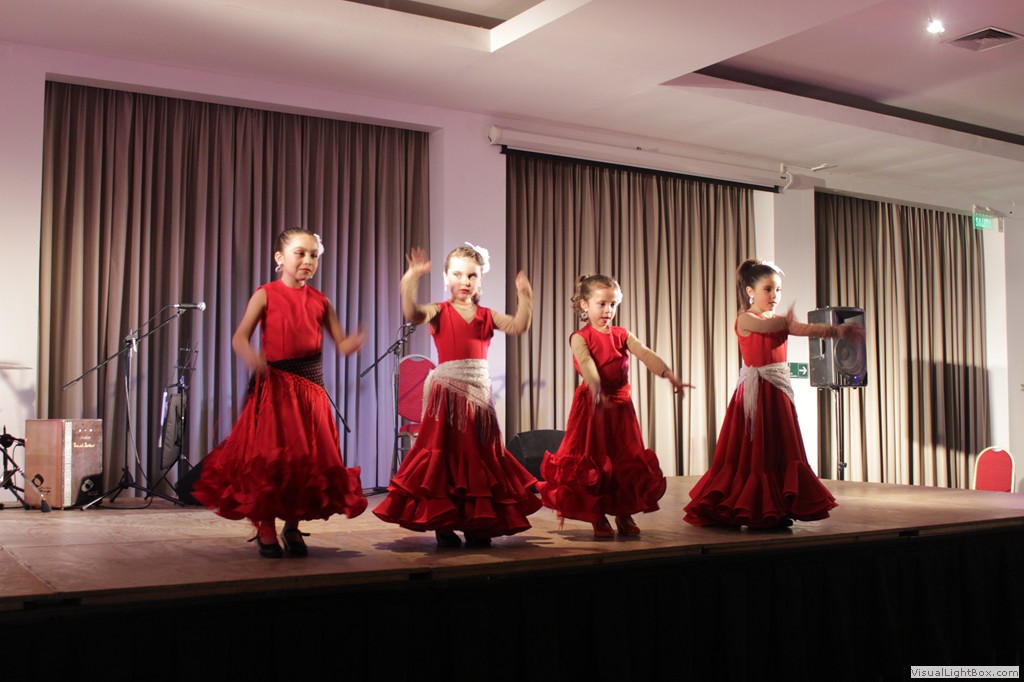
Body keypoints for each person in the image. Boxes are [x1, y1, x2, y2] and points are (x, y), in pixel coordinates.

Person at [193, 228, 368, 558]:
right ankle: (265, 526)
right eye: (300, 253)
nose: (308, 260)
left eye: (314, 255)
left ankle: (292, 525)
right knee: (273, 459)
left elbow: (340, 342)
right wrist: (252, 358)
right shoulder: (266, 294)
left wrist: (352, 343)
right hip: (277, 391)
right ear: (280, 258)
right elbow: (240, 337)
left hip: (311, 391)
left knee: (306, 461)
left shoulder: (321, 301)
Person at [373, 244, 541, 547]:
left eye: (472, 276)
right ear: (446, 277)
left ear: (480, 280)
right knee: (446, 457)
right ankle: (444, 521)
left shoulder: (487, 316)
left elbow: (519, 325)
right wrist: (411, 277)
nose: (465, 281)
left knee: (479, 458)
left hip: (478, 398)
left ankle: (477, 522)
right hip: (447, 398)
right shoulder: (439, 311)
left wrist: (526, 297)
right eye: (458, 274)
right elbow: (412, 312)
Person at [684, 259, 857, 529]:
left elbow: (804, 329)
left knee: (779, 451)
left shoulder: (778, 321)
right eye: (768, 289)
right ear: (750, 291)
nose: (774, 295)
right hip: (756, 395)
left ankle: (775, 508)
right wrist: (787, 322)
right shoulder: (746, 318)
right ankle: (747, 508)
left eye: (778, 290)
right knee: (753, 454)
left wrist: (836, 330)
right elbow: (769, 328)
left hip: (777, 394)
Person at [537, 274, 690, 538]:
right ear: (584, 305)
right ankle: (597, 513)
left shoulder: (622, 334)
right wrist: (596, 387)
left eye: (613, 304)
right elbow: (587, 364)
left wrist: (669, 374)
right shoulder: (580, 337)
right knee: (595, 459)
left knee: (624, 459)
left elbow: (645, 353)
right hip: (594, 407)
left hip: (620, 408)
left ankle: (623, 512)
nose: (608, 310)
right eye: (602, 304)